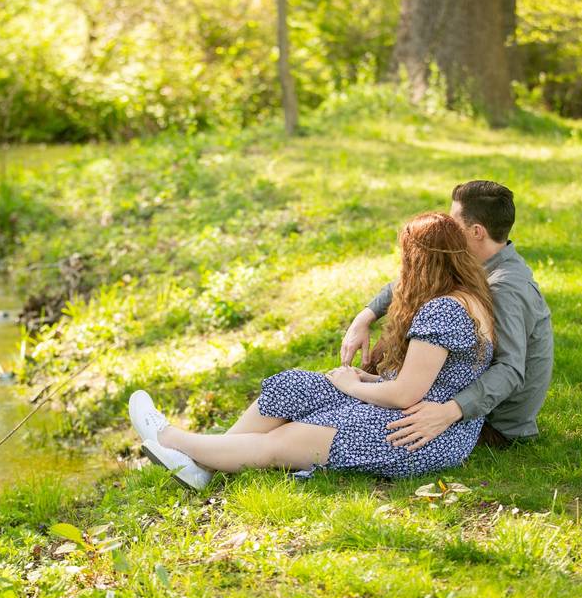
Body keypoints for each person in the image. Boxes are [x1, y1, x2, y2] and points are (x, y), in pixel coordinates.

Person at [127, 212, 496, 489]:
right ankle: (204, 464)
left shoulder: (445, 309)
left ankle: (169, 438)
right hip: (415, 414)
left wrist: (353, 386)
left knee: (285, 441)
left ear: (421, 262)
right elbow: (434, 376)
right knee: (295, 386)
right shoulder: (467, 295)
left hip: (418, 434)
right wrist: (365, 378)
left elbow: (406, 394)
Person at [341, 180, 553, 451]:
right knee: (406, 321)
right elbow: (416, 280)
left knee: (425, 325)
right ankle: (362, 393)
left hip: (492, 423)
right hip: (464, 401)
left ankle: (354, 408)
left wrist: (449, 412)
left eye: (454, 224)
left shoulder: (505, 287)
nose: (448, 228)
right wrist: (365, 317)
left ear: (476, 231)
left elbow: (510, 370)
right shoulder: (478, 263)